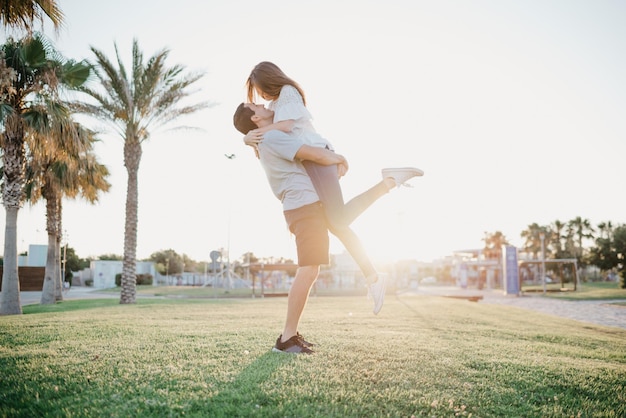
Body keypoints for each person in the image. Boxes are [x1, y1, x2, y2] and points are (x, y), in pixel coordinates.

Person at [242, 61, 423, 313]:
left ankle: (389, 182)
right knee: (337, 223)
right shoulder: (274, 106)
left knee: (338, 220)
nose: (260, 98)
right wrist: (250, 136)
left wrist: (250, 136)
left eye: (260, 91)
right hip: (310, 162)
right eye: (256, 100)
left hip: (317, 157)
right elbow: (274, 135)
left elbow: (284, 128)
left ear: (270, 80)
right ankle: (373, 275)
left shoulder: (287, 93)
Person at [233, 101, 348, 354]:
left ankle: (290, 334)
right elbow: (313, 153)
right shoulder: (272, 137)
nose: (262, 103)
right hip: (305, 207)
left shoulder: (268, 137)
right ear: (255, 119)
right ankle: (286, 339)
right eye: (255, 105)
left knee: (311, 269)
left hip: (304, 206)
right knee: (307, 270)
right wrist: (340, 158)